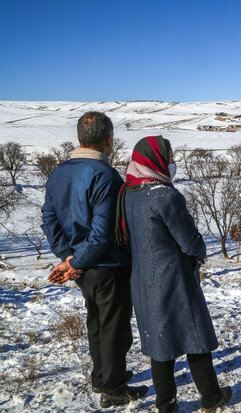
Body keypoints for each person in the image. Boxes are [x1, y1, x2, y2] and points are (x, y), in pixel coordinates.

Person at [115, 136, 232, 413]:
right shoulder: (166, 196)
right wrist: (200, 252)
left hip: (143, 280)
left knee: (160, 343)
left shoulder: (128, 193)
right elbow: (189, 241)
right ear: (156, 160)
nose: (171, 162)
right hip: (174, 278)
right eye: (168, 156)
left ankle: (166, 404)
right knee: (195, 336)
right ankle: (211, 397)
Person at [41, 112, 147, 408]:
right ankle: (113, 390)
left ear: (79, 138)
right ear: (109, 140)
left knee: (97, 323)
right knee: (114, 328)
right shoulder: (105, 175)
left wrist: (68, 257)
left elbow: (48, 219)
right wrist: (75, 262)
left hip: (83, 266)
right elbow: (102, 234)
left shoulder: (58, 172)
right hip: (107, 264)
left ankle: (103, 377)